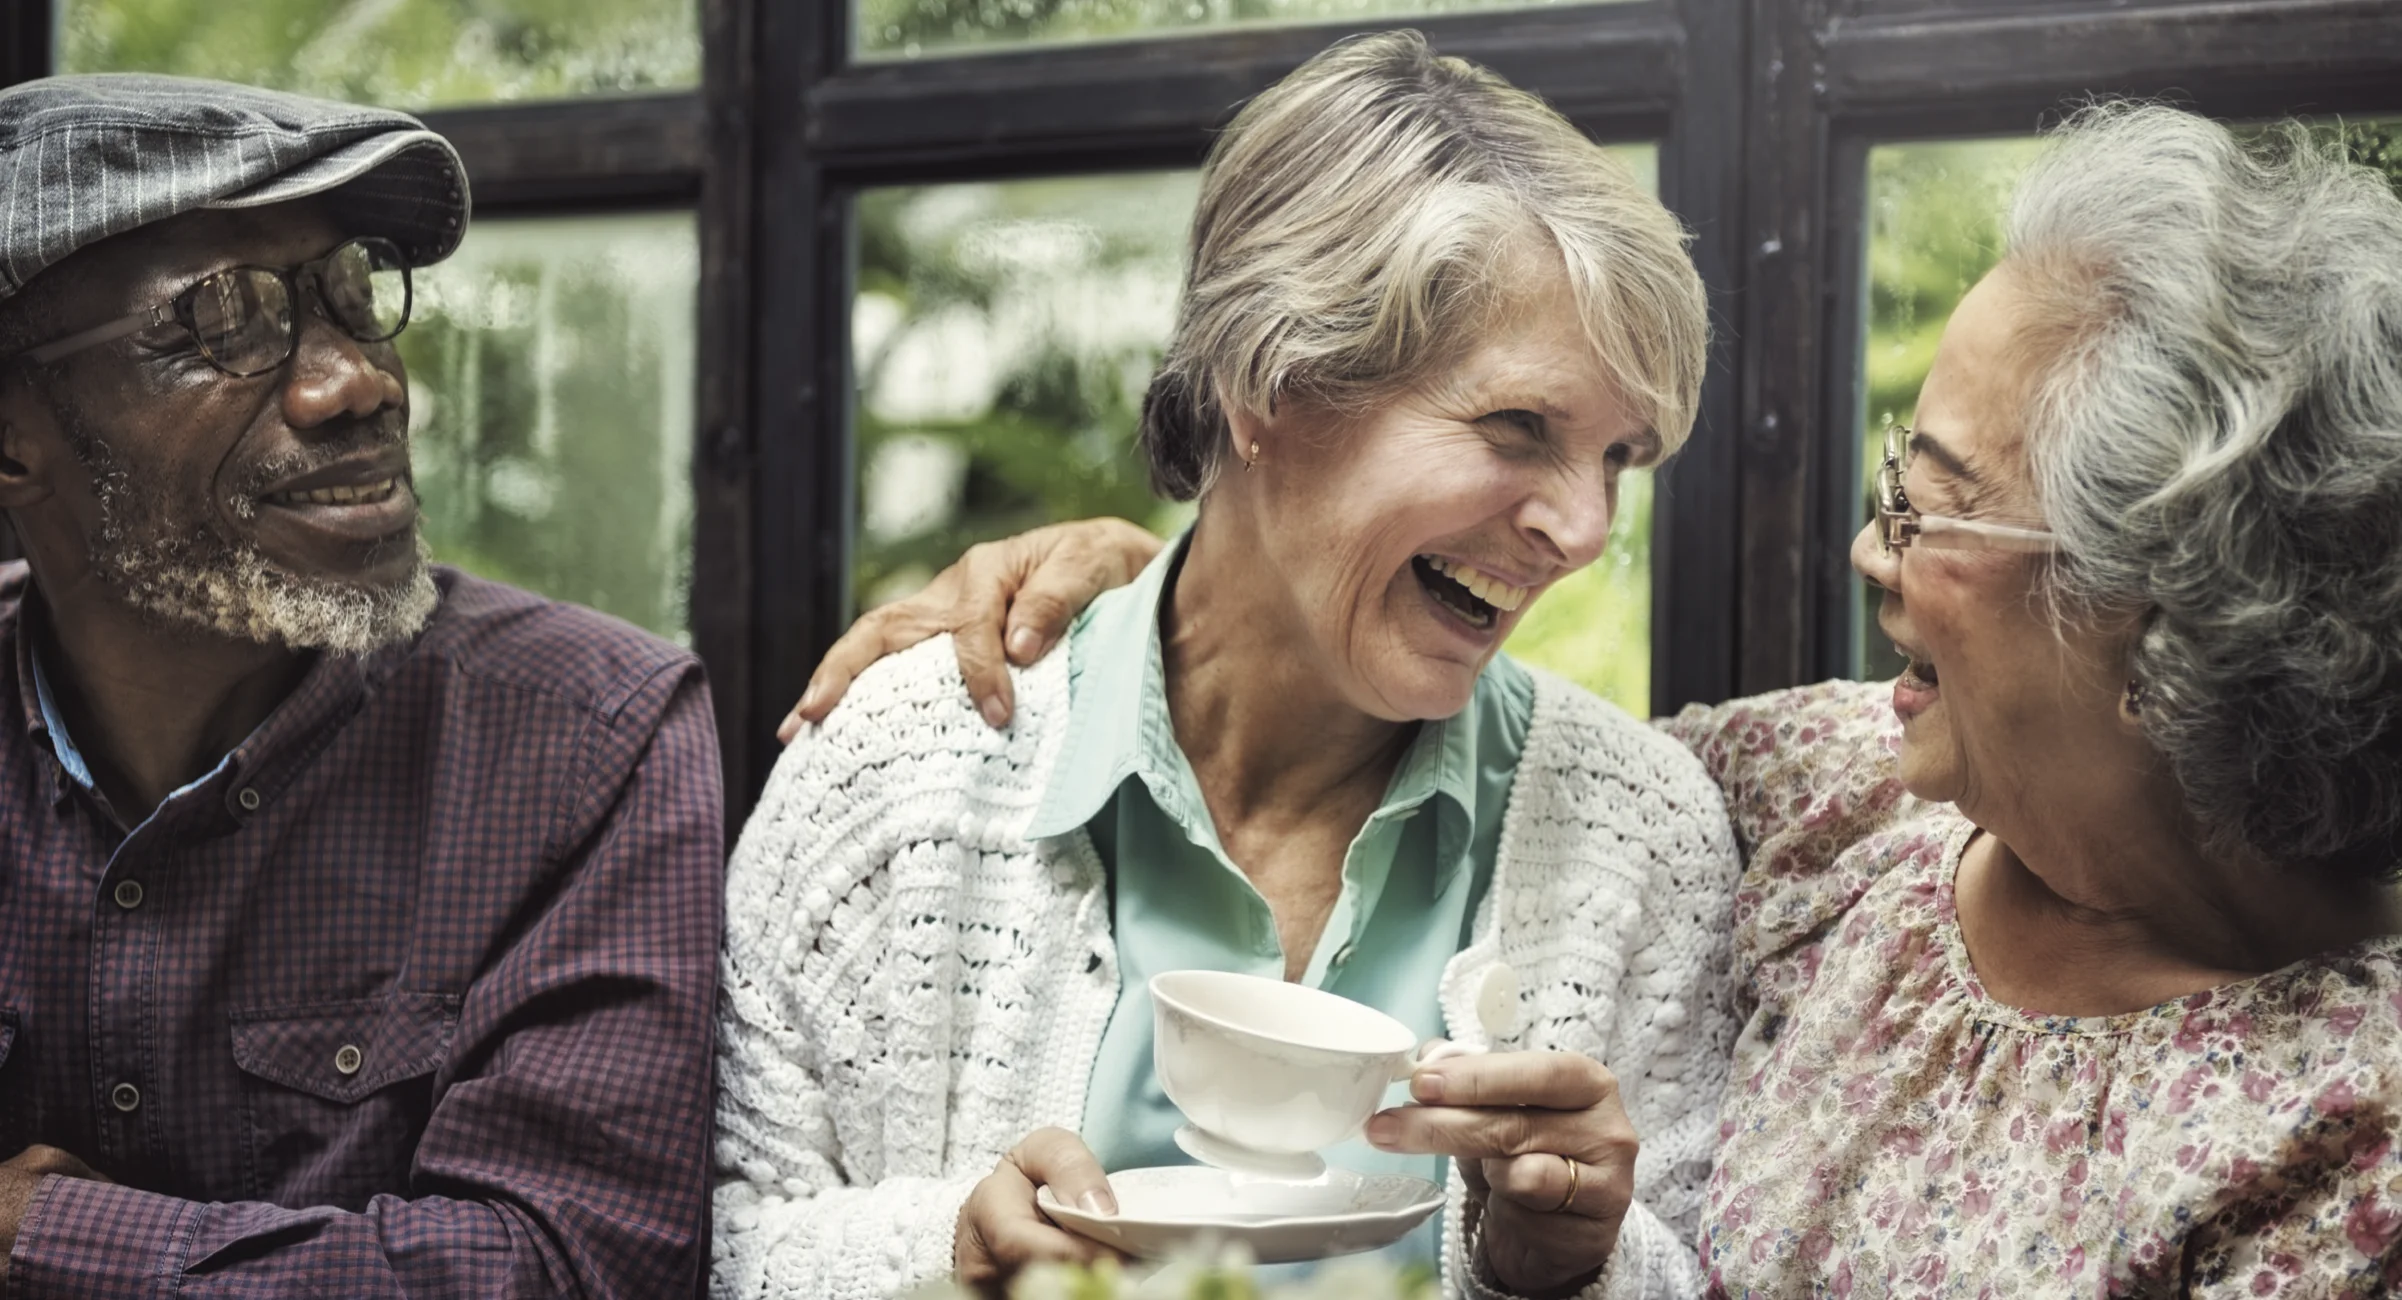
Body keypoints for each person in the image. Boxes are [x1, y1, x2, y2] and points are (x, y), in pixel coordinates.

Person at [802, 103, 2402, 1293]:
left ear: (2162, 620)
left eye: (1926, 505)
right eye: (1518, 430)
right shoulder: (1823, 806)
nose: (1865, 548)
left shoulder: (2348, 1138)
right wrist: (1124, 573)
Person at [714, 32, 1740, 1300]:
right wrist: (944, 1260)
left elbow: (1699, 1263)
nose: (1581, 530)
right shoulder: (900, 769)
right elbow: (712, 1236)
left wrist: (1560, 1265)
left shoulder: (1642, 837)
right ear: (1268, 381)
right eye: (1516, 427)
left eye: (1617, 459)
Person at [0, 75, 723, 1295]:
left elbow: (569, 1266)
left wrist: (38, 1236)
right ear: (15, 439)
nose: (361, 384)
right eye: (222, 320)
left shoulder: (592, 735)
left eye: (351, 295)